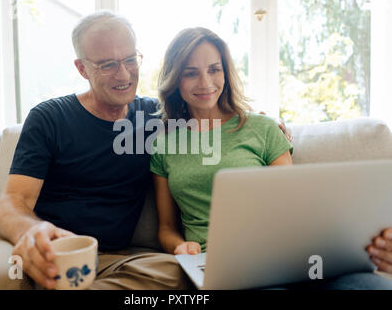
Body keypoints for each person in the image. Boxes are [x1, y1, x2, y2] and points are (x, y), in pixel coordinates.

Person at [0, 10, 192, 290]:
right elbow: (11, 203)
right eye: (107, 65)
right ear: (82, 69)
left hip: (107, 259)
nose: (124, 74)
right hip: (35, 249)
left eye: (130, 60)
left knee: (180, 275)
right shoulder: (50, 117)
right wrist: (34, 231)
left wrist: (248, 120)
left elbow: (211, 123)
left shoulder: (154, 118)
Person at [150, 27, 392, 289]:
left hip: (295, 254)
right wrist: (180, 246)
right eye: (190, 73)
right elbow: (166, 227)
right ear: (175, 79)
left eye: (214, 69)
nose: (205, 82)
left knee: (372, 286)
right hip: (231, 267)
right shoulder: (164, 144)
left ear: (226, 73)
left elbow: (292, 206)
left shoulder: (263, 128)